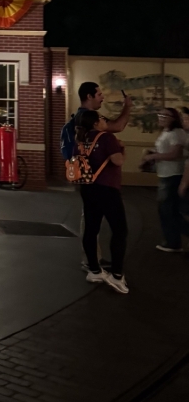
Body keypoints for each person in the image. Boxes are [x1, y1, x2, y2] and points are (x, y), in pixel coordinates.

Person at [75, 110, 129, 293]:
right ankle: (117, 275)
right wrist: (121, 147)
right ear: (96, 123)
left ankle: (94, 270)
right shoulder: (106, 138)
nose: (105, 120)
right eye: (101, 118)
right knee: (120, 230)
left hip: (88, 188)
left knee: (91, 228)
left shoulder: (81, 140)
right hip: (107, 189)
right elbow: (118, 161)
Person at [143, 107, 188, 252]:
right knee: (169, 210)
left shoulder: (176, 133)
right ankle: (172, 241)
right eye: (160, 114)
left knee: (168, 210)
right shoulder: (166, 132)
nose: (161, 117)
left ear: (174, 118)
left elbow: (175, 154)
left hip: (172, 175)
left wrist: (153, 156)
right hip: (165, 173)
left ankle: (172, 242)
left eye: (165, 115)